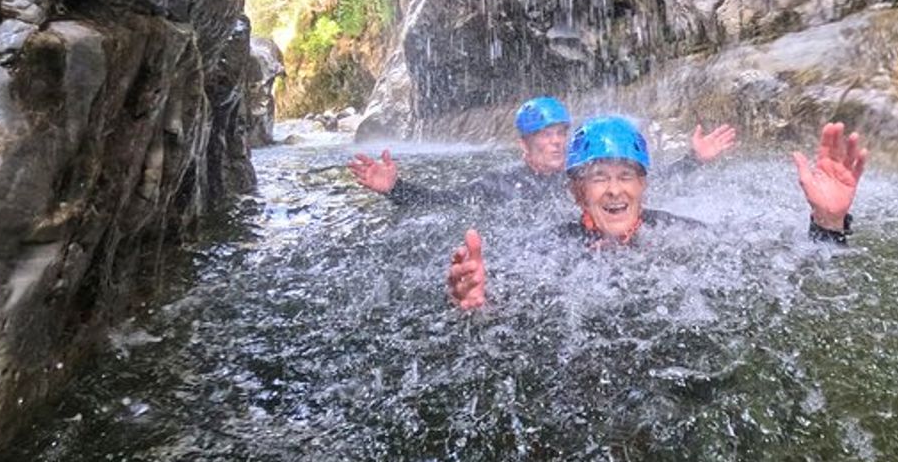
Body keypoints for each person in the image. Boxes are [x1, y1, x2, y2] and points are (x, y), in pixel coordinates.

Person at [447, 117, 868, 310]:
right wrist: (481, 306)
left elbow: (790, 280)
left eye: (626, 175)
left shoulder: (684, 234)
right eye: (598, 178)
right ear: (577, 191)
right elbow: (510, 301)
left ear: (643, 185)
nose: (614, 189)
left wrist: (828, 226)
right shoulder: (547, 248)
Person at [348, 96, 738, 208]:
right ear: (524, 145)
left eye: (560, 133)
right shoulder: (499, 186)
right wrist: (396, 189)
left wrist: (693, 161)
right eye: (544, 136)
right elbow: (444, 202)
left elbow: (646, 183)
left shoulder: (588, 175)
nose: (556, 142)